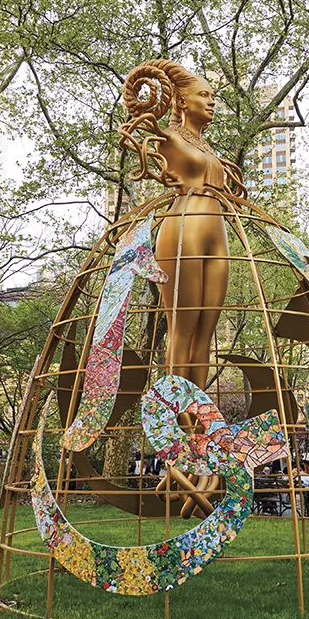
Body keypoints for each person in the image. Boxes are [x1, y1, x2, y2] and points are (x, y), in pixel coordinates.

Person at [119, 60, 246, 391]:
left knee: (207, 330)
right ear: (182, 101)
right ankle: (177, 410)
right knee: (182, 327)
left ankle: (200, 414)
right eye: (204, 95)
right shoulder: (169, 138)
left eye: (213, 96)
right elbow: (134, 134)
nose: (211, 102)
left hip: (217, 234)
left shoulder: (206, 147)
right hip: (183, 230)